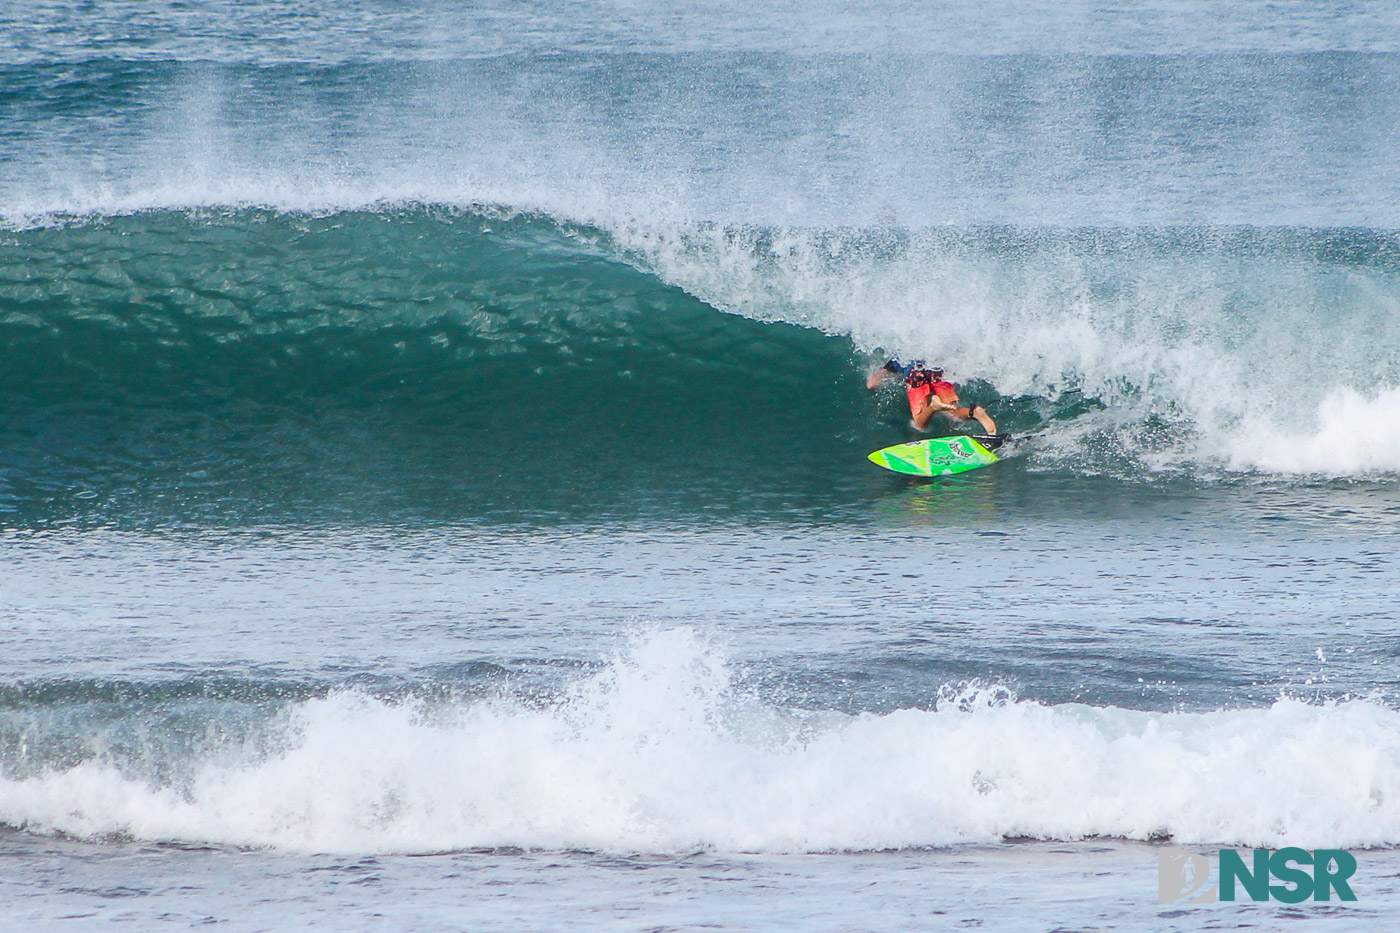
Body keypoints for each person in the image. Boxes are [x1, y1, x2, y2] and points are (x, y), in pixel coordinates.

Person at [867, 359, 998, 435]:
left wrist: (876, 379)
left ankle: (933, 407)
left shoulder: (900, 356)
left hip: (915, 374)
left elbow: (872, 384)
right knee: (952, 412)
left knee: (920, 423)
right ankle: (974, 412)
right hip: (937, 367)